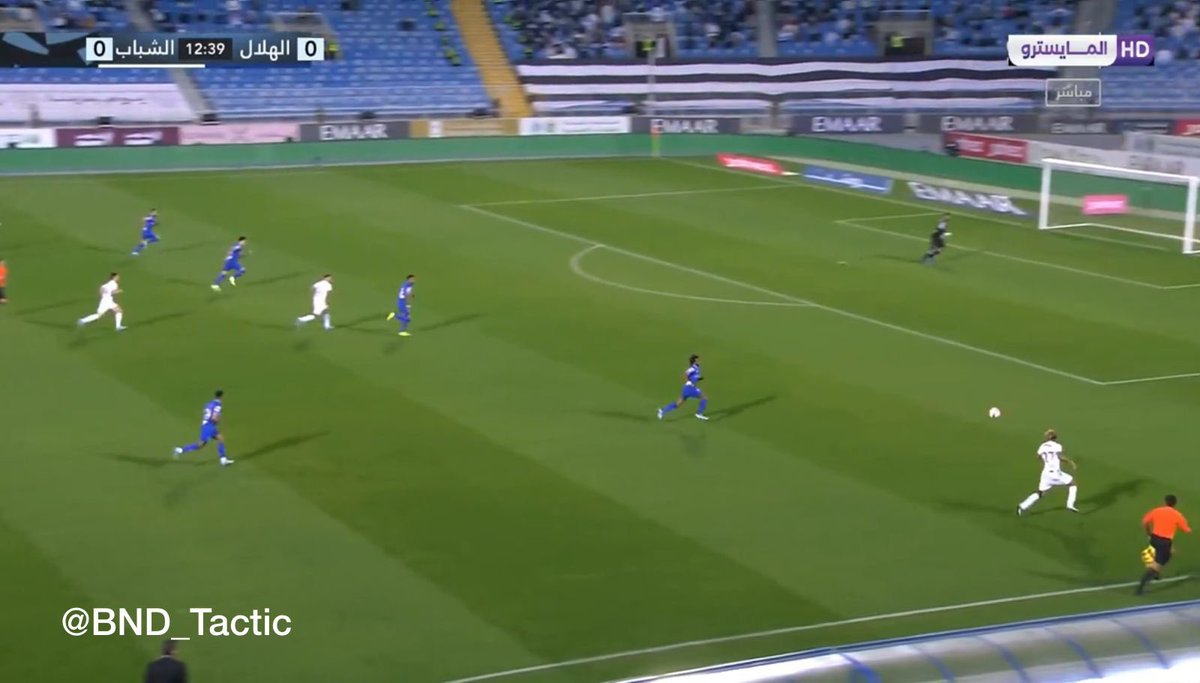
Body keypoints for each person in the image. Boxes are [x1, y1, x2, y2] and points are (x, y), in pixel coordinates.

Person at [1137, 494, 1191, 595]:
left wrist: (1148, 533)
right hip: (1164, 542)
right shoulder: (1177, 515)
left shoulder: (1157, 510)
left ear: (1165, 502)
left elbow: (1145, 521)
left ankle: (1156, 572)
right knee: (1157, 564)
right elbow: (1186, 530)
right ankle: (1140, 589)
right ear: (1175, 503)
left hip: (1154, 538)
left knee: (1170, 552)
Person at [1016, 429, 1080, 515]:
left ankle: (1022, 506)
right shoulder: (1057, 446)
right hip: (1055, 473)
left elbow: (1038, 457)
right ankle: (1070, 505)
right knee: (1072, 483)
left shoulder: (1042, 446)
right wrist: (1070, 462)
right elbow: (1060, 456)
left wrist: (1045, 462)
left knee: (1040, 492)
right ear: (1055, 437)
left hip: (1046, 473)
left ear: (1046, 437)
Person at [174, 390, 234, 466]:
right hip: (209, 426)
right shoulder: (218, 405)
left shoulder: (209, 404)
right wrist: (217, 420)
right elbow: (214, 417)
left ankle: (223, 459)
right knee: (200, 445)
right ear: (221, 396)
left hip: (206, 425)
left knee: (218, 439)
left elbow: (206, 413)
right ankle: (179, 450)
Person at [657, 354, 710, 421]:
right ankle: (699, 413)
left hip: (686, 389)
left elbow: (693, 376)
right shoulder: (692, 368)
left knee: (677, 404)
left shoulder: (696, 368)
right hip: (690, 388)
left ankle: (662, 410)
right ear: (695, 361)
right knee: (704, 397)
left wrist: (698, 378)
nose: (700, 361)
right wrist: (688, 381)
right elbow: (685, 374)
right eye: (698, 360)